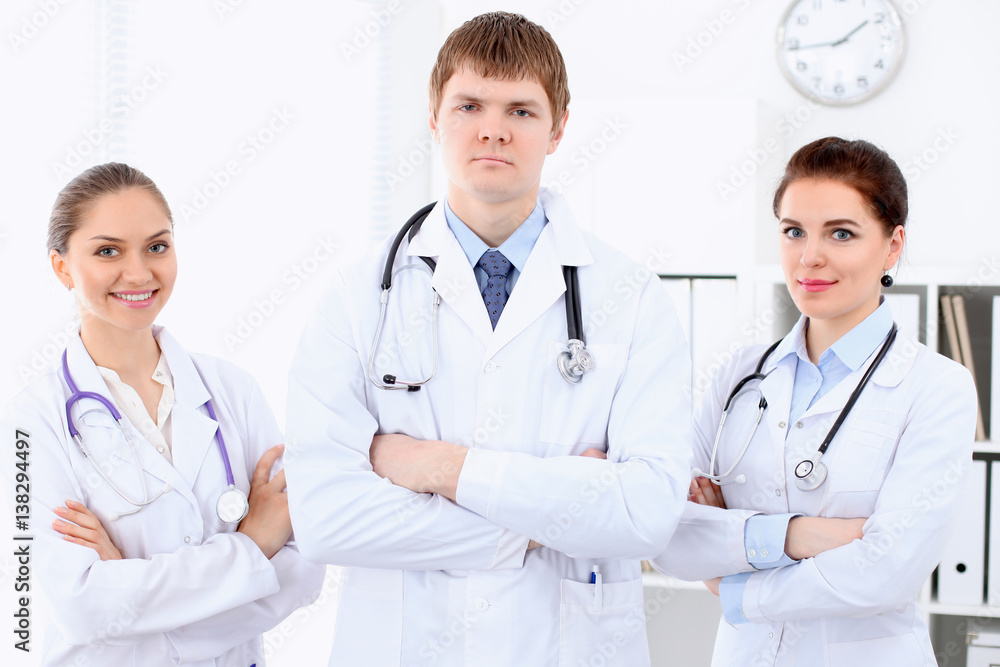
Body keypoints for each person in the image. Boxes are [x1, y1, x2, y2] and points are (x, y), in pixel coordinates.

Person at [284, 11, 692, 666]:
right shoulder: (355, 297)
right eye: (469, 104)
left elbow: (647, 513)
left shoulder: (633, 298)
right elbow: (327, 519)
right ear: (433, 116)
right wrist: (539, 524)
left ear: (558, 126)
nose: (493, 128)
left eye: (521, 110)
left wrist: (436, 467)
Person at [652, 137, 978, 665]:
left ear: (893, 245)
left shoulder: (938, 388)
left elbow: (889, 573)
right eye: (793, 231)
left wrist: (735, 582)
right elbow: (668, 534)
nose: (810, 257)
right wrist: (804, 535)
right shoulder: (740, 375)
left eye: (841, 233)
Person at [1, 163, 325, 666]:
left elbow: (303, 569)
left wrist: (132, 593)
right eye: (108, 251)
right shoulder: (28, 423)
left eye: (157, 246)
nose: (139, 272)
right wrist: (251, 547)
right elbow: (81, 608)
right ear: (62, 267)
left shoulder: (233, 390)